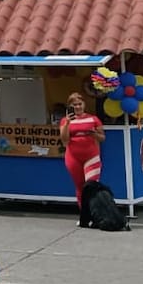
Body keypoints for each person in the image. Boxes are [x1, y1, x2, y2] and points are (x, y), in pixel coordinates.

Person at [59, 87, 105, 228]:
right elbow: (64, 140)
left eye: (80, 104)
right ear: (70, 106)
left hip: (91, 155)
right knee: (80, 187)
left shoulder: (93, 118)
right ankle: (85, 216)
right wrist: (67, 123)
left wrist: (93, 134)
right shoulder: (64, 121)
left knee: (91, 186)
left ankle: (96, 215)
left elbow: (102, 137)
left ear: (84, 104)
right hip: (73, 156)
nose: (77, 107)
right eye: (74, 105)